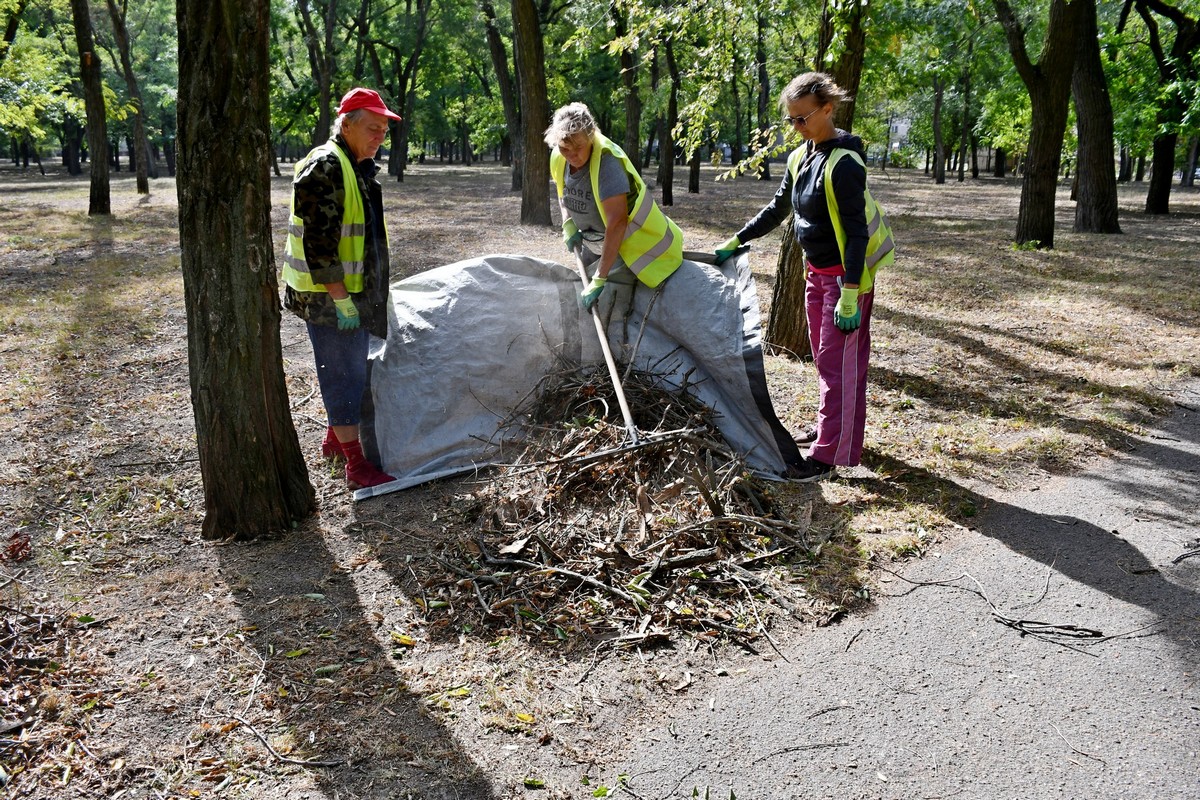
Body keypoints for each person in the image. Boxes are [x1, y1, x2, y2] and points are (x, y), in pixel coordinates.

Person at [715, 72, 894, 483]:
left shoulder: (845, 163)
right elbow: (779, 208)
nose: (796, 127)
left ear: (828, 109)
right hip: (815, 274)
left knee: (839, 367)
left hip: (844, 281)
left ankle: (827, 455)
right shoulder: (802, 156)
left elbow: (855, 233)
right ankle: (834, 431)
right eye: (791, 120)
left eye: (803, 118)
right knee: (829, 362)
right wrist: (739, 238)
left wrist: (851, 290)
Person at [282, 87, 400, 490]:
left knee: (350, 370)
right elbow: (319, 242)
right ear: (346, 124)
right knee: (342, 376)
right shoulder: (326, 166)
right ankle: (355, 464)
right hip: (330, 297)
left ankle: (336, 441)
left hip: (349, 292)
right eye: (372, 128)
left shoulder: (354, 165)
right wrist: (340, 298)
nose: (379, 137)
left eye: (384, 130)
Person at [544, 102, 684, 309]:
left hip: (633, 249)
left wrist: (601, 277)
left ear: (591, 136)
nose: (572, 155)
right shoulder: (559, 156)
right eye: (565, 149)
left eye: (579, 147)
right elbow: (562, 190)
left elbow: (617, 222)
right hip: (595, 244)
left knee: (623, 309)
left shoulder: (607, 165)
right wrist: (568, 221)